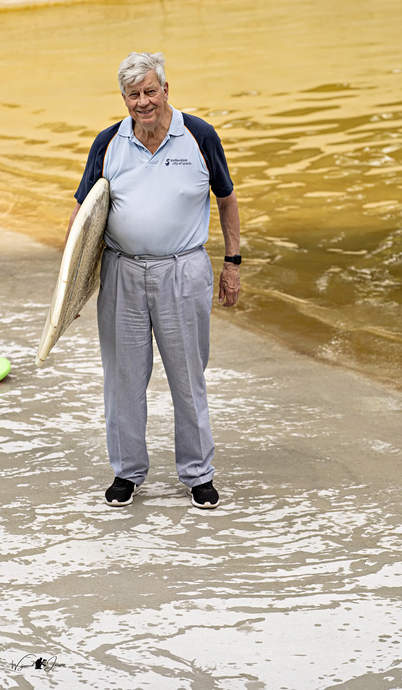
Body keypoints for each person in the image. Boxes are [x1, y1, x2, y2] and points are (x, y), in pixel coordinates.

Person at [66, 51, 241, 509]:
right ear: (123, 98)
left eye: (149, 91)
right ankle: (127, 473)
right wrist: (73, 285)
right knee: (122, 380)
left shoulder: (199, 136)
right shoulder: (108, 143)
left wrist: (232, 263)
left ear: (165, 89)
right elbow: (84, 214)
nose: (143, 102)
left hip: (183, 270)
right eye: (133, 94)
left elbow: (226, 199)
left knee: (188, 378)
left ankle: (198, 474)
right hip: (121, 270)